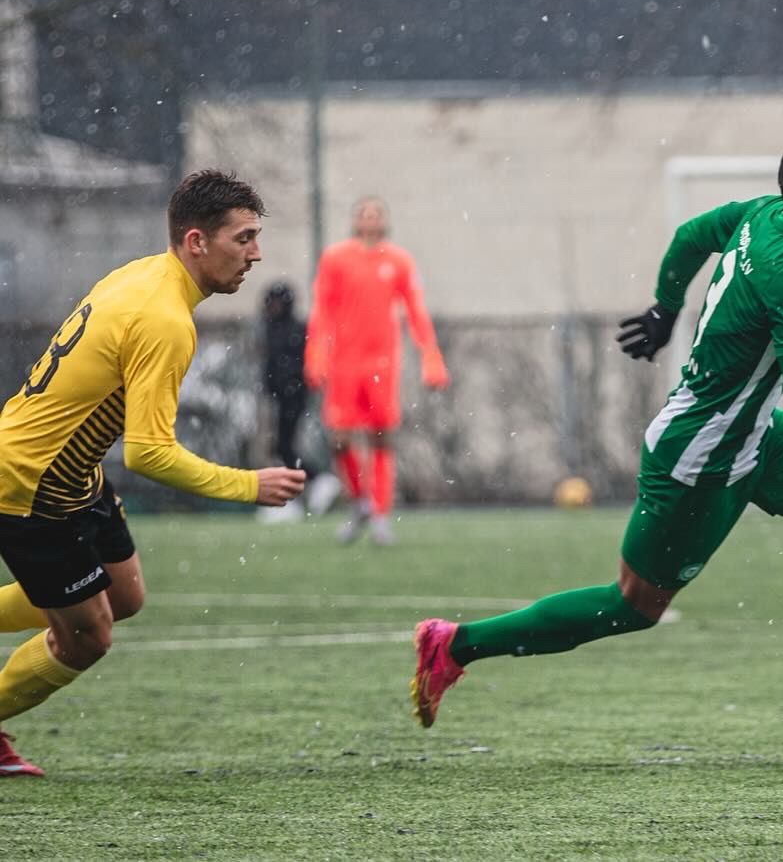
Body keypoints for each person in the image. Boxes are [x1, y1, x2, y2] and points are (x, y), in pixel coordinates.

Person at [410, 128, 783, 731]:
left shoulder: (761, 214)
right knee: (631, 606)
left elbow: (690, 237)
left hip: (752, 433)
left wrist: (665, 306)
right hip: (701, 458)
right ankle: (454, 645)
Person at [0, 170, 307, 776]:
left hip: (72, 474)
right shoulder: (166, 319)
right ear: (197, 241)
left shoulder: (142, 274)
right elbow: (148, 454)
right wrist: (249, 485)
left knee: (124, 595)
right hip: (30, 487)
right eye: (242, 238)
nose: (256, 254)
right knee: (88, 637)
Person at [304, 197, 449, 547]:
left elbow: (415, 310)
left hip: (382, 364)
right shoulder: (336, 259)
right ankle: (360, 501)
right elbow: (322, 308)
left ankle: (381, 515)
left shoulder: (399, 261)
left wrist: (430, 355)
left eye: (375, 213)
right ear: (355, 220)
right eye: (363, 213)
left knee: (382, 437)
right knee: (339, 438)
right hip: (343, 364)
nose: (369, 219)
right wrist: (316, 352)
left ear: (384, 220)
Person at [260, 280, 341, 520]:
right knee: (281, 446)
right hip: (281, 396)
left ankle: (314, 481)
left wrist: (289, 386)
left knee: (284, 446)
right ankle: (300, 490)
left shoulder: (292, 329)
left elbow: (294, 365)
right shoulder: (273, 328)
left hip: (292, 396)